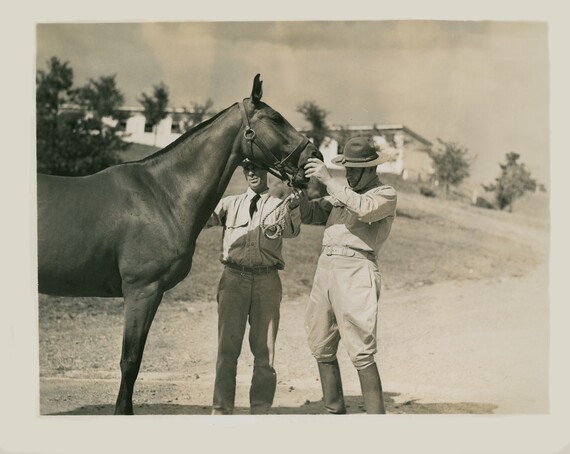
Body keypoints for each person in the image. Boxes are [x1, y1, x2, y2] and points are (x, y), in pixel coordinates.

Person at [299, 136, 397, 414]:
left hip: (357, 270)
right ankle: (334, 411)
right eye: (347, 169)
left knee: (361, 349)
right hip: (326, 268)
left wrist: (329, 179)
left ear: (371, 169)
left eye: (354, 170)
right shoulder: (343, 192)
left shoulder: (385, 194)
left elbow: (364, 209)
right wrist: (301, 191)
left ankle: (375, 423)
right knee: (320, 343)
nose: (349, 174)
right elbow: (313, 214)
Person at [206, 159, 301, 415]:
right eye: (246, 168)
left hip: (267, 282)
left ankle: (260, 411)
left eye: (257, 167)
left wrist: (293, 200)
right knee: (227, 350)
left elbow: (292, 231)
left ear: (267, 172)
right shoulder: (229, 203)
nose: (251, 172)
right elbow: (200, 218)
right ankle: (222, 409)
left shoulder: (280, 205)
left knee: (265, 352)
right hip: (233, 280)